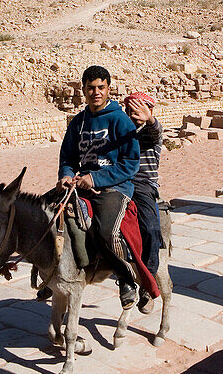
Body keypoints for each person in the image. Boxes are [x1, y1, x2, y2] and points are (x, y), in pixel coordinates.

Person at [57, 65, 141, 308]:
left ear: (108, 89)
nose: (96, 92)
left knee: (106, 231)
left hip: (115, 187)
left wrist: (95, 179)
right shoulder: (78, 122)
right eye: (91, 88)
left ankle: (126, 278)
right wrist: (66, 175)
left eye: (101, 87)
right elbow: (68, 157)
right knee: (49, 214)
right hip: (81, 183)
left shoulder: (120, 120)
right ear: (83, 90)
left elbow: (130, 163)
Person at [123, 91, 163, 314]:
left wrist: (149, 120)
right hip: (120, 180)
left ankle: (148, 283)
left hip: (143, 183)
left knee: (150, 227)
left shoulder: (152, 131)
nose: (133, 116)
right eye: (129, 112)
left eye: (137, 111)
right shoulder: (122, 131)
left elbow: (155, 131)